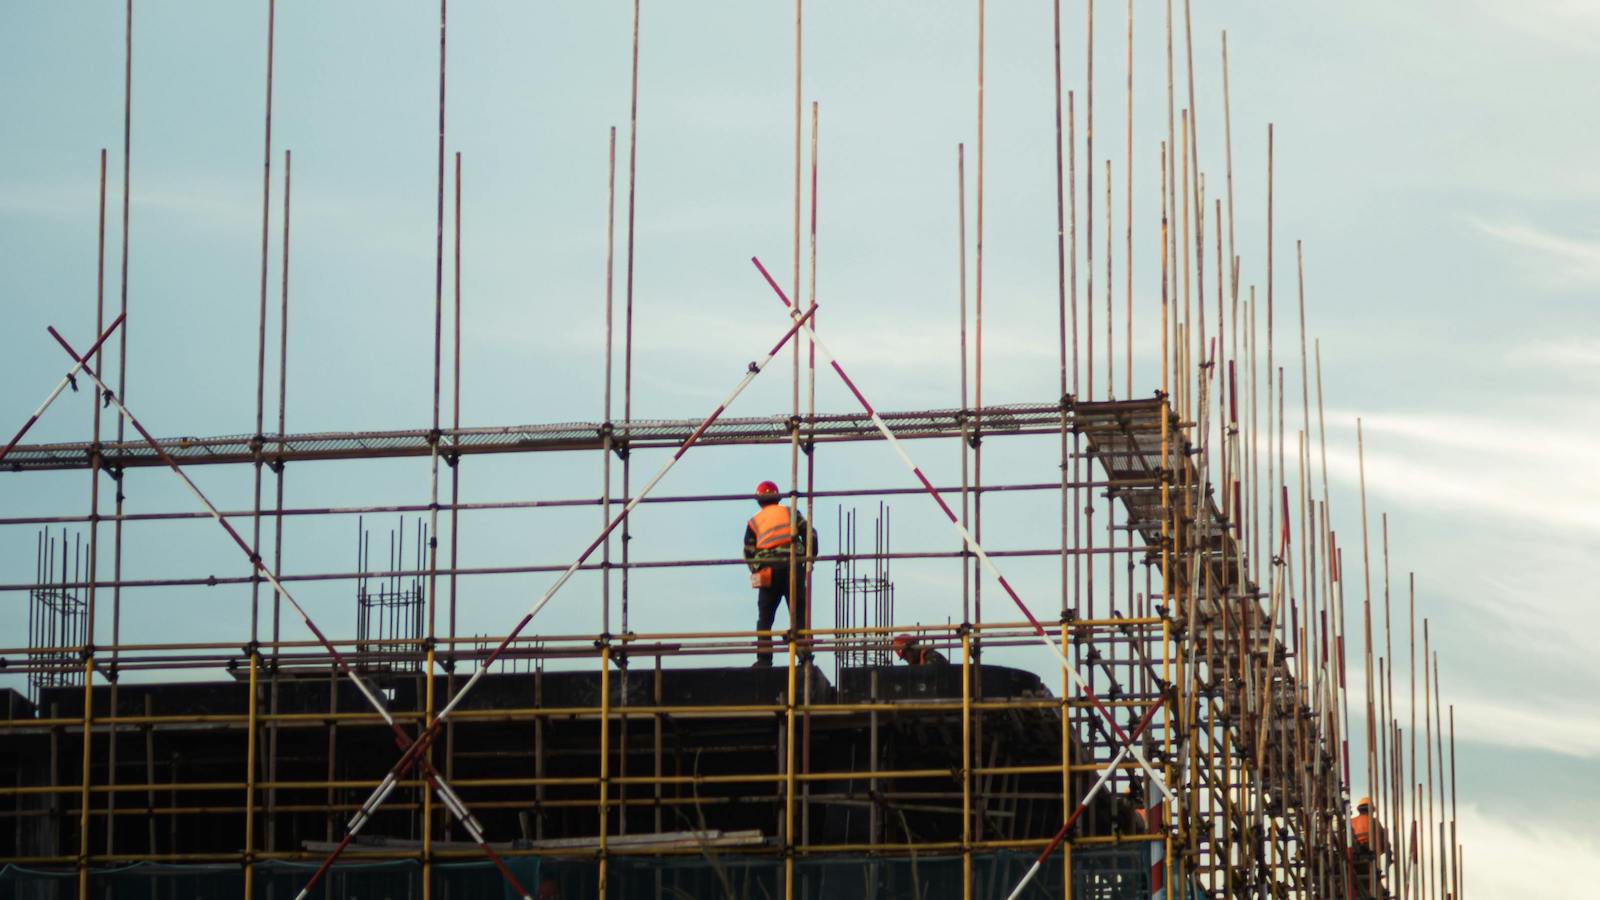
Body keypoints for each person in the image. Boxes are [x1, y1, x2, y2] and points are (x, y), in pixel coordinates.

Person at [744, 480, 815, 667]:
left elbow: (748, 551)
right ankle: (804, 655)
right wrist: (809, 557)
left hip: (769, 572)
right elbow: (810, 532)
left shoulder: (754, 522)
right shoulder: (789, 512)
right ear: (777, 497)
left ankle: (764, 660)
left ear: (759, 500)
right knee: (799, 612)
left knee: (765, 618)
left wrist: (757, 570)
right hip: (792, 567)